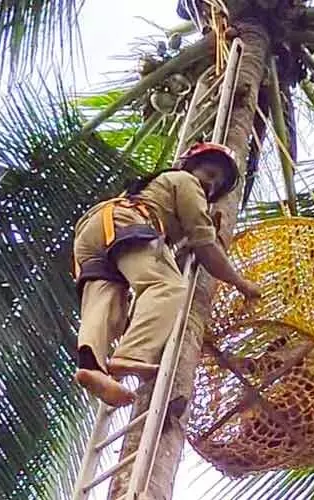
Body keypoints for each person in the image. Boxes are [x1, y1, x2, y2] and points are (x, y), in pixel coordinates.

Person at [71, 142, 263, 407]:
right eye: (209, 173)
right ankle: (134, 354)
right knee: (167, 285)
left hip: (95, 230)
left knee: (107, 309)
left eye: (218, 183)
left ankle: (91, 369)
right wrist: (242, 284)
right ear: (189, 166)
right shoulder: (185, 180)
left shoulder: (155, 187)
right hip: (128, 221)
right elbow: (205, 246)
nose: (211, 184)